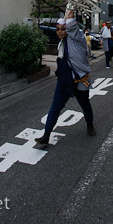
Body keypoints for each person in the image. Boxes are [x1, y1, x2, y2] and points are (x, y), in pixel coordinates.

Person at [36, 10, 95, 146]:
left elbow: (73, 27)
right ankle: (46, 134)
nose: (61, 32)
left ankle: (90, 125)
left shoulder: (78, 39)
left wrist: (70, 16)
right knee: (55, 107)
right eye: (58, 29)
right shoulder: (60, 44)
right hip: (64, 81)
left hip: (80, 80)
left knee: (85, 105)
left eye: (63, 29)